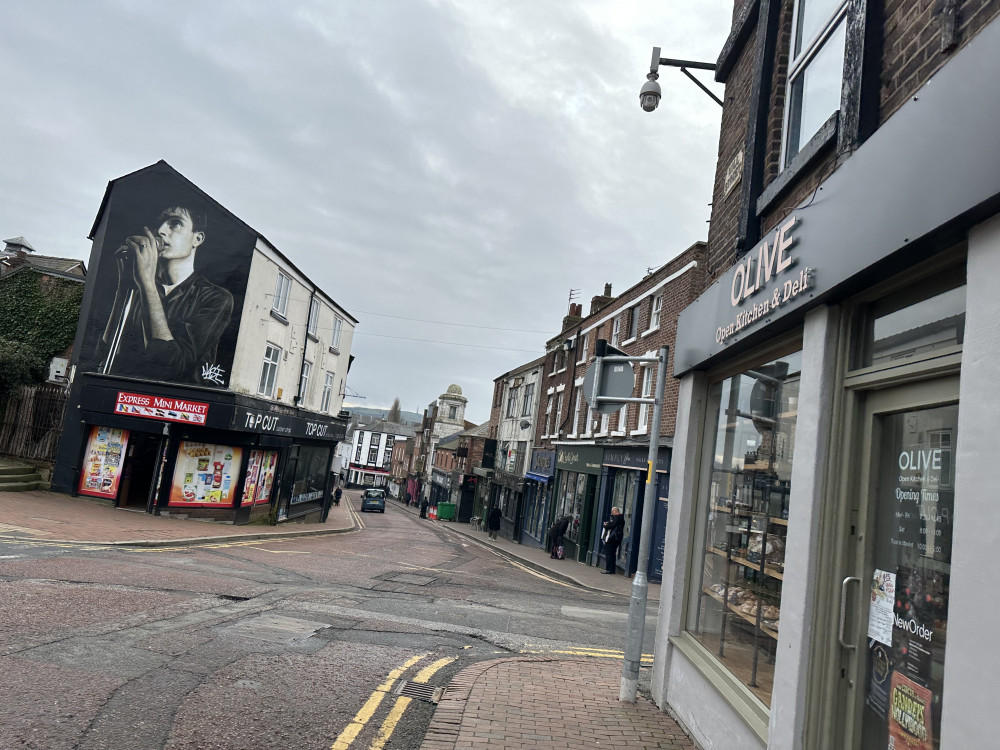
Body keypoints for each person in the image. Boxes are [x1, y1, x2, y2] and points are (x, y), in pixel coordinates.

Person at [98, 202, 234, 385]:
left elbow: (172, 363)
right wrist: (124, 288)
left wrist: (146, 283)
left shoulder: (216, 298)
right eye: (159, 224)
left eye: (175, 223)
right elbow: (107, 351)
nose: (161, 231)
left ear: (197, 238)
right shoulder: (140, 286)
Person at [601, 506, 625, 574]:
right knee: (613, 554)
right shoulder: (622, 518)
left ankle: (608, 569)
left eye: (612, 512)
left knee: (608, 553)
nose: (612, 513)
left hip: (612, 538)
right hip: (617, 538)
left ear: (615, 511)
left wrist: (606, 525)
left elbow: (611, 525)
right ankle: (612, 569)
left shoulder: (616, 518)